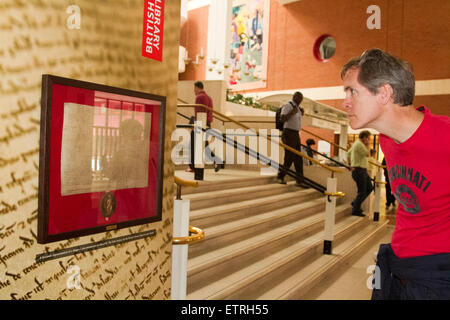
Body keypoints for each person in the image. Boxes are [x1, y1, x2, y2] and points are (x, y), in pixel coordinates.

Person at [341, 48, 450, 299]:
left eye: (352, 91)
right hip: (397, 269)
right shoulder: (388, 140)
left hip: (436, 277)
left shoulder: (444, 136)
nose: (345, 102)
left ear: (385, 93)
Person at [186, 81, 224, 173]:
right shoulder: (209, 98)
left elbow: (198, 112)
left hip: (199, 123)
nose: (194, 91)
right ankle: (217, 161)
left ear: (197, 88)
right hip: (207, 123)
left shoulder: (199, 97)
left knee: (193, 145)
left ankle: (193, 167)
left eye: (194, 88)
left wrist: (195, 125)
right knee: (204, 145)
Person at [277, 91, 307, 188]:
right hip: (288, 133)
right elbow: (282, 119)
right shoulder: (288, 106)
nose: (300, 100)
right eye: (298, 98)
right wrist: (291, 112)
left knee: (298, 157)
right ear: (294, 97)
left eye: (301, 98)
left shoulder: (297, 108)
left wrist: (299, 112)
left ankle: (300, 180)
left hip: (295, 134)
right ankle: (280, 176)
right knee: (289, 156)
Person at [347, 130, 374, 217]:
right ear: (365, 137)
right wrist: (367, 144)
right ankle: (355, 209)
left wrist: (350, 164)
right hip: (359, 170)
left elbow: (348, 153)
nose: (369, 140)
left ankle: (355, 203)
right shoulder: (359, 144)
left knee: (369, 188)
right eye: (368, 138)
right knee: (362, 191)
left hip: (361, 170)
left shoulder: (356, 143)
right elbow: (368, 154)